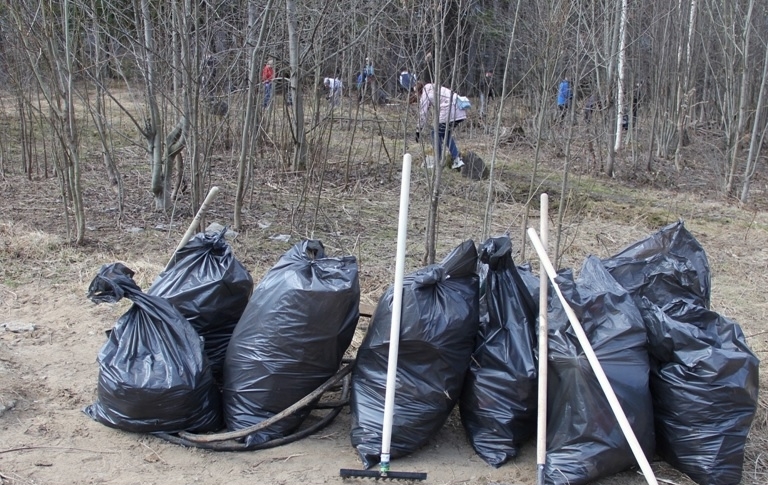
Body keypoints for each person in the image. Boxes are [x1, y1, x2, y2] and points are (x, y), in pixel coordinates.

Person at [413, 81, 467, 169]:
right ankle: (457, 160)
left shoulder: (425, 94)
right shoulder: (435, 87)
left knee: (435, 134)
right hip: (460, 111)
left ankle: (439, 161)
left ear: (419, 91)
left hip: (449, 113)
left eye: (416, 93)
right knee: (446, 134)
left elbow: (423, 114)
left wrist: (418, 130)